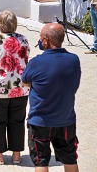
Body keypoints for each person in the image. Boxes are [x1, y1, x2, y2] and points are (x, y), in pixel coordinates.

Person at [22, 23, 81, 172]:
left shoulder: (35, 63)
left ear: (46, 40)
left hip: (40, 122)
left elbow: (24, 81)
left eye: (41, 39)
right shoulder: (74, 60)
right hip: (66, 120)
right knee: (70, 159)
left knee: (41, 162)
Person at [0, 10, 30, 165]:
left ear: (0, 25)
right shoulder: (23, 40)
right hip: (20, 88)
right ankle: (16, 156)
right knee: (17, 121)